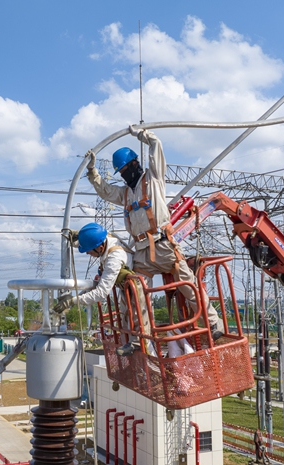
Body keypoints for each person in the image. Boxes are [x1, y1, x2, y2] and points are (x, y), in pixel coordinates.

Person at [85, 125, 223, 340]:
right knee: (134, 290)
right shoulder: (127, 193)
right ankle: (138, 336)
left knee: (189, 287)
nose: (123, 175)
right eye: (120, 173)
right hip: (142, 252)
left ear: (134, 164)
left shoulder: (153, 179)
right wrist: (93, 173)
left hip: (164, 245)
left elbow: (156, 147)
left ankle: (213, 323)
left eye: (124, 170)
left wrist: (143, 135)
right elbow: (106, 192)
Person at [53, 222, 153, 356]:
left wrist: (72, 301)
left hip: (138, 287)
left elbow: (101, 293)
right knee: (126, 323)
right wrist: (79, 238)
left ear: (100, 248)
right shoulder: (105, 239)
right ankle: (135, 355)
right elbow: (93, 241)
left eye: (89, 250)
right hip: (126, 286)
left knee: (138, 321)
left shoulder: (114, 258)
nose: (88, 253)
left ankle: (143, 351)